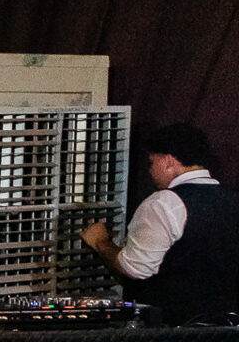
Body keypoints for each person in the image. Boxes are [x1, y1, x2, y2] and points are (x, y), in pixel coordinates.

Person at [82, 124, 239, 325]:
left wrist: (100, 242)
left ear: (168, 161)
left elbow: (135, 268)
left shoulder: (163, 203)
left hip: (172, 331)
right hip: (226, 329)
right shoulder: (232, 199)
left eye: (151, 162)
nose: (150, 170)